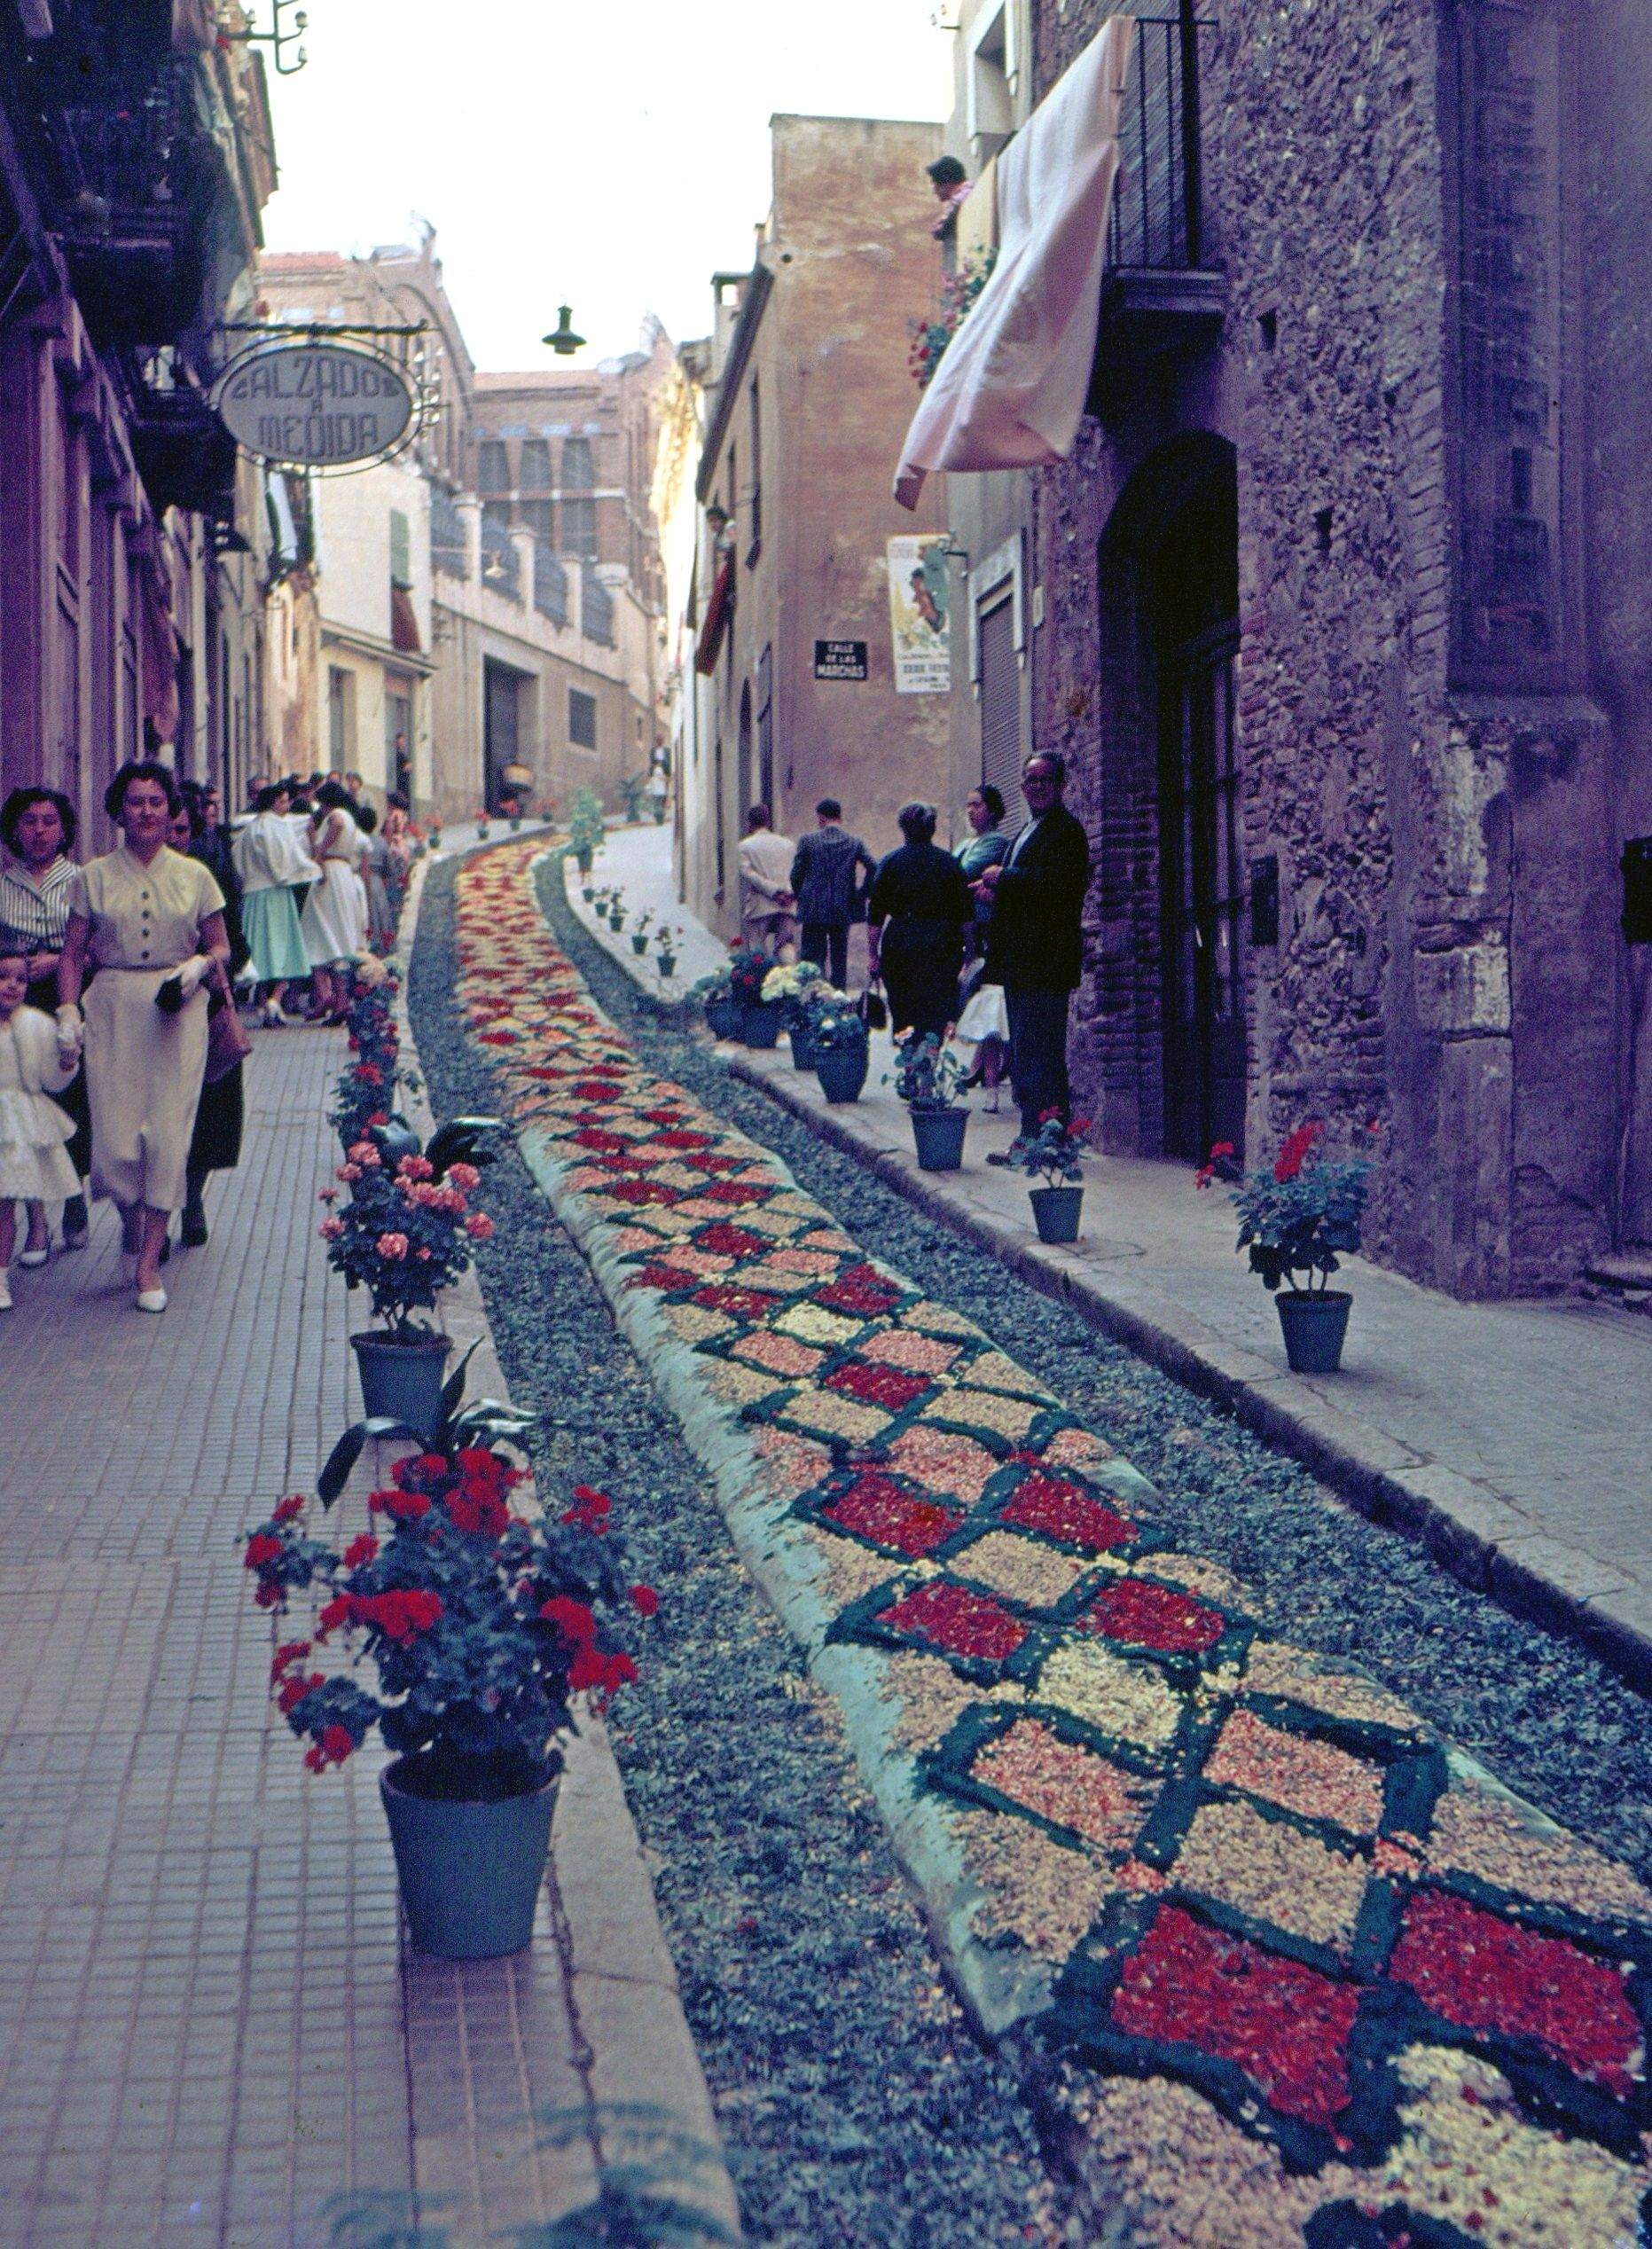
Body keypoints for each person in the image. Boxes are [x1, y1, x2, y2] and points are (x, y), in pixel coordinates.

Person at [57, 758, 230, 1312]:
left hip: (178, 1008)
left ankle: (149, 1262)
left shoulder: (195, 874)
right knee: (111, 1143)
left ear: (170, 808)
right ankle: (133, 1216)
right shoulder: (93, 876)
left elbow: (221, 945)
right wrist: (67, 1009)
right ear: (119, 811)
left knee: (168, 1138)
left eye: (157, 801)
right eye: (136, 802)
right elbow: (72, 955)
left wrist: (201, 966)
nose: (147, 812)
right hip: (112, 1006)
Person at [978, 751, 1092, 1154]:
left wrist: (1004, 877)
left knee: (1042, 1049)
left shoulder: (1066, 832)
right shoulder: (1028, 829)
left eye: (1045, 780)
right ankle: (1032, 1135)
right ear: (1022, 787)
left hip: (1045, 960)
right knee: (1025, 1049)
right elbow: (1028, 888)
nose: (1037, 787)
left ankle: (1047, 1136)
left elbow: (1059, 886)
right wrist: (995, 893)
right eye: (1031, 781)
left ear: (1061, 785)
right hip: (1021, 960)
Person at [0, 786, 90, 1249]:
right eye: (29, 821)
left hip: (66, 995)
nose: (39, 831)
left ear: (64, 829)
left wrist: (60, 959)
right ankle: (30, 1214)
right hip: (14, 1003)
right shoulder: (3, 885)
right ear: (14, 828)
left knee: (71, 1099)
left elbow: (98, 942)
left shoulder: (81, 880)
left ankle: (73, 1196)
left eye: (49, 822)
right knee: (26, 1105)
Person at [171, 803, 243, 1250]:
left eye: (182, 829)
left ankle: (192, 1200)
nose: (174, 837)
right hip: (148, 1011)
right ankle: (148, 1219)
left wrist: (206, 966)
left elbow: (237, 943)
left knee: (207, 1113)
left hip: (206, 1008)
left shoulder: (206, 878)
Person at [0, 945, 80, 1311]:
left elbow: (51, 1077)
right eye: (3, 977)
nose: (12, 986)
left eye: (21, 979)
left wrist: (66, 1060)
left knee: (5, 1202)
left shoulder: (34, 1024)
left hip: (17, 1123)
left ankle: (0, 1276)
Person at [866, 803, 974, 1042]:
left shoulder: (890, 863)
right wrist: (970, 950)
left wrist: (873, 955)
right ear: (933, 828)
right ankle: (929, 1066)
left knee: (904, 1011)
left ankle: (910, 1068)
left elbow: (875, 917)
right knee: (936, 1011)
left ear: (903, 828)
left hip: (901, 943)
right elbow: (966, 915)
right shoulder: (949, 864)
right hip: (942, 944)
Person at [233, 781, 317, 1024]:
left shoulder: (251, 828)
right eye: (282, 801)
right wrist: (309, 869)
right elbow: (286, 858)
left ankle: (262, 1003)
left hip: (254, 894)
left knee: (258, 949)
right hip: (276, 893)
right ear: (272, 803)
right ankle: (276, 998)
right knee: (284, 948)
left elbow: (239, 861)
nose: (286, 805)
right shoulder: (277, 826)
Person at [953, 784, 1012, 1109]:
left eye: (977, 805)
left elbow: (961, 874)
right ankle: (980, 1062)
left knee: (988, 998)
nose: (971, 811)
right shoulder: (966, 843)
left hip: (989, 928)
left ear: (992, 808)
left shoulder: (996, 842)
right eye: (968, 806)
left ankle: (988, 1066)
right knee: (973, 996)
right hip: (968, 928)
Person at [789, 799, 876, 990]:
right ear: (839, 817)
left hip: (813, 908)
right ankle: (838, 1001)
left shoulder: (808, 841)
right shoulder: (854, 842)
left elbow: (796, 874)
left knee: (812, 960)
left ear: (821, 817)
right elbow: (873, 867)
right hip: (842, 907)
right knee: (839, 960)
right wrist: (861, 895)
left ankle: (815, 998)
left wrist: (800, 894)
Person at [301, 780, 367, 1022]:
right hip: (344, 874)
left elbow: (334, 825)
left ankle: (328, 996)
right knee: (337, 934)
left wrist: (318, 848)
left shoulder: (337, 816)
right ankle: (337, 1000)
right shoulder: (350, 817)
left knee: (318, 933)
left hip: (329, 874)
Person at [738, 805, 797, 957]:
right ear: (768, 822)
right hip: (786, 904)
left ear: (750, 824)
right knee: (785, 948)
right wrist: (788, 893)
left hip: (760, 905)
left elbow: (748, 874)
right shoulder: (789, 845)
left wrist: (774, 891)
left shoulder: (745, 846)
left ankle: (759, 979)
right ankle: (787, 978)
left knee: (757, 950)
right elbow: (796, 872)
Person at [356, 802, 397, 952]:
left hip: (357, 878)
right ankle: (379, 946)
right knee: (379, 914)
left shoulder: (355, 840)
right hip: (376, 881)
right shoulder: (381, 843)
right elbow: (390, 869)